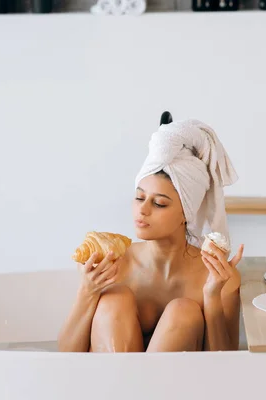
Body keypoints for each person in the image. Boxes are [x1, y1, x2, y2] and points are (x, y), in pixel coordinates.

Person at [58, 118, 242, 352]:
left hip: (173, 387)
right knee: (114, 300)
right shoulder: (112, 263)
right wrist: (87, 290)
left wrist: (212, 297)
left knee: (183, 312)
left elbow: (225, 366)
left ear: (186, 213)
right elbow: (66, 355)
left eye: (159, 203)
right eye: (139, 197)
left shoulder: (217, 276)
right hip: (108, 382)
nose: (143, 210)